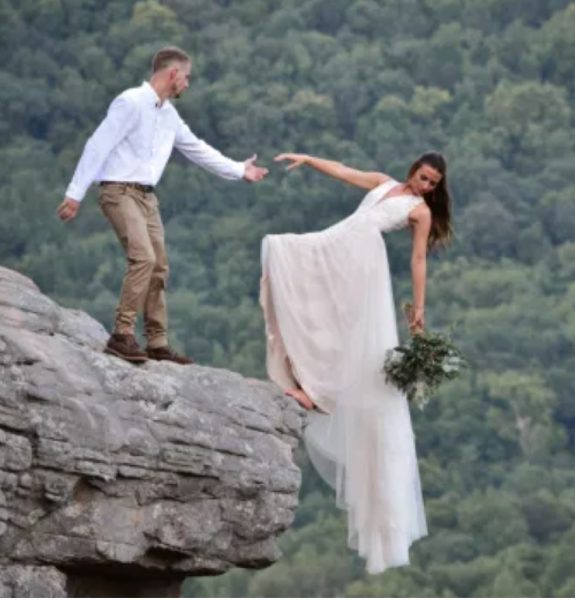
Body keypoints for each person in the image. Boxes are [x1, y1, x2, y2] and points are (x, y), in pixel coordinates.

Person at [260, 151, 452, 573]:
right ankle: (307, 377)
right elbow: (347, 173)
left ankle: (318, 391)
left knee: (349, 333)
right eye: (423, 177)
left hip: (363, 262)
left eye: (433, 183)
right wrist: (309, 160)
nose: (426, 186)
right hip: (340, 242)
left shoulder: (418, 212)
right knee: (282, 254)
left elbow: (418, 260)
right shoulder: (384, 182)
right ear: (413, 170)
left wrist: (418, 311)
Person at [57, 46, 268, 365]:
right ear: (173, 74)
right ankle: (121, 335)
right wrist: (75, 193)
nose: (188, 83)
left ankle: (157, 342)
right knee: (143, 258)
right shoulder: (130, 102)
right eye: (187, 77)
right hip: (119, 191)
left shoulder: (168, 114)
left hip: (146, 196)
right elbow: (98, 144)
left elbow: (197, 149)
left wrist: (240, 170)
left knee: (159, 267)